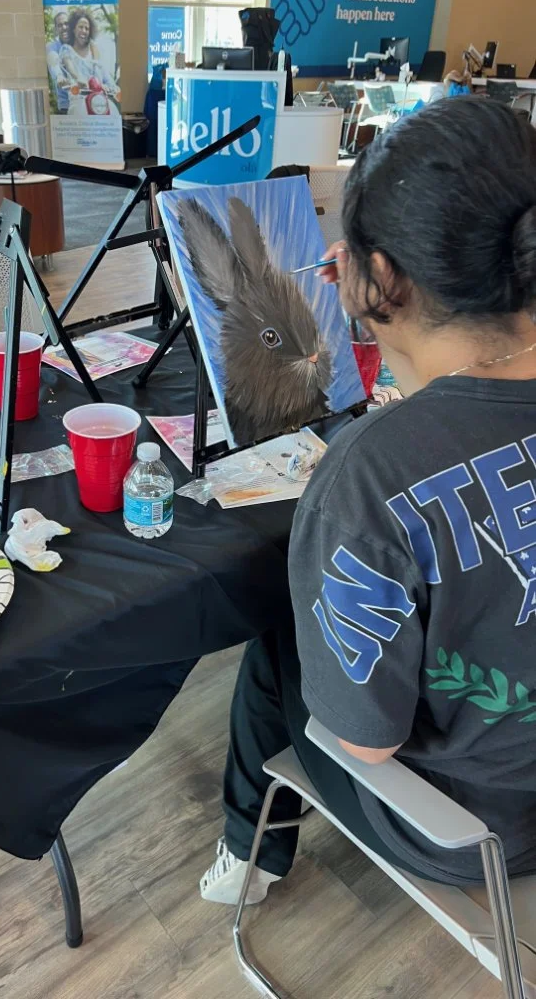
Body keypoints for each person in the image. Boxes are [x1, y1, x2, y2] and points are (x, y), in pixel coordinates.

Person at [200, 97, 536, 905]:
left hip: (475, 830)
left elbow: (366, 743)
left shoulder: (369, 476)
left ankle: (249, 862)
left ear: (377, 276)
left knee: (275, 645)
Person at [59, 9, 119, 107]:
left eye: (87, 28)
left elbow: (107, 78)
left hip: (99, 104)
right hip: (78, 103)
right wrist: (79, 79)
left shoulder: (95, 55)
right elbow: (70, 68)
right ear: (73, 29)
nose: (84, 31)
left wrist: (112, 88)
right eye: (81, 27)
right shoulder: (66, 49)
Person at [46, 11, 71, 114]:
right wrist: (59, 76)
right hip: (66, 107)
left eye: (66, 24)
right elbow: (53, 62)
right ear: (56, 29)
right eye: (60, 25)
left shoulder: (79, 45)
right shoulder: (52, 47)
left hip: (86, 102)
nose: (64, 27)